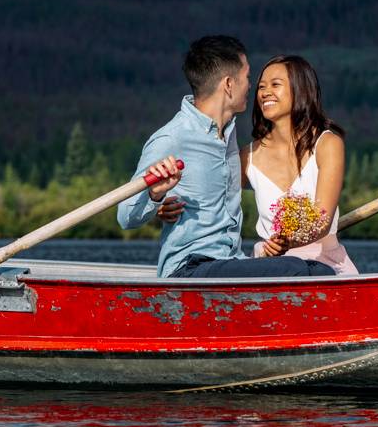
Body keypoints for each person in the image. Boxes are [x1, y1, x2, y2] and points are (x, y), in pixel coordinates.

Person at [117, 35, 336, 279]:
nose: (252, 87)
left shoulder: (229, 138)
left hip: (230, 263)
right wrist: (154, 195)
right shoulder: (172, 138)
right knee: (304, 270)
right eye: (248, 78)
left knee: (311, 269)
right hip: (189, 269)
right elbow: (126, 216)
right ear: (229, 84)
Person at [245, 55, 358, 275]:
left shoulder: (328, 144)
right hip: (267, 265)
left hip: (325, 264)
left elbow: (322, 221)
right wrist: (165, 203)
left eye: (275, 85)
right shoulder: (247, 156)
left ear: (300, 90)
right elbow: (210, 195)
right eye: (261, 87)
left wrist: (289, 242)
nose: (264, 92)